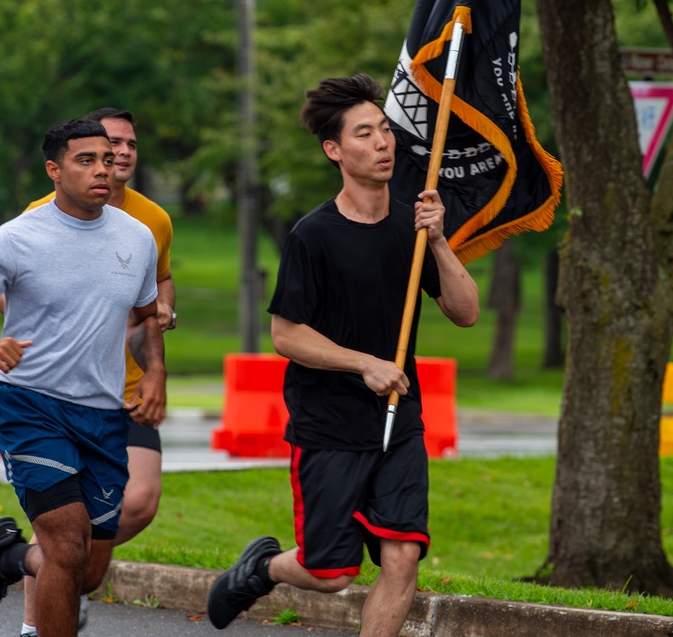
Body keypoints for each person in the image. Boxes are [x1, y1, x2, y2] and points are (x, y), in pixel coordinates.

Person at [206, 73, 480, 636]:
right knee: (329, 572)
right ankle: (262, 567)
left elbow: (466, 311)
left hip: (399, 423)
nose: (382, 143)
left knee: (402, 558)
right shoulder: (314, 235)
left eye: (384, 130)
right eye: (364, 134)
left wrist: (441, 240)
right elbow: (287, 335)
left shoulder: (414, 226)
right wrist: (364, 362)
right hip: (329, 426)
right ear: (334, 150)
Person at [0, 118, 165, 637]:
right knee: (68, 546)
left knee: (86, 570)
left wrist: (155, 373)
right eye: (86, 160)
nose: (104, 168)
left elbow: (146, 315)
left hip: (103, 415)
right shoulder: (16, 239)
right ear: (54, 170)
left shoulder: (139, 237)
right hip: (33, 405)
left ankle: (10, 557)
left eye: (107, 158)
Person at [0, 108, 176, 637]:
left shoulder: (152, 223)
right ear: (66, 163)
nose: (120, 155)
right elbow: (1, 294)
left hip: (124, 386)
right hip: (50, 392)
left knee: (137, 504)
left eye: (128, 146)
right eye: (107, 146)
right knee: (65, 536)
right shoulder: (40, 216)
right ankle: (42, 614)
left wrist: (160, 323)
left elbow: (158, 286)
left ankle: (22, 560)